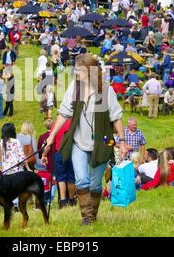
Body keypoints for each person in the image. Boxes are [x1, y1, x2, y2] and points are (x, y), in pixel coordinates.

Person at [42, 53, 127, 225]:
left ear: (89, 71)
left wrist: (123, 141)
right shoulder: (75, 87)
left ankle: (93, 215)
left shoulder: (105, 90)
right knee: (81, 179)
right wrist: (51, 137)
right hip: (79, 142)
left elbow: (116, 116)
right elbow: (64, 113)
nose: (75, 71)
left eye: (78, 68)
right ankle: (87, 217)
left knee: (95, 185)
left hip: (102, 143)